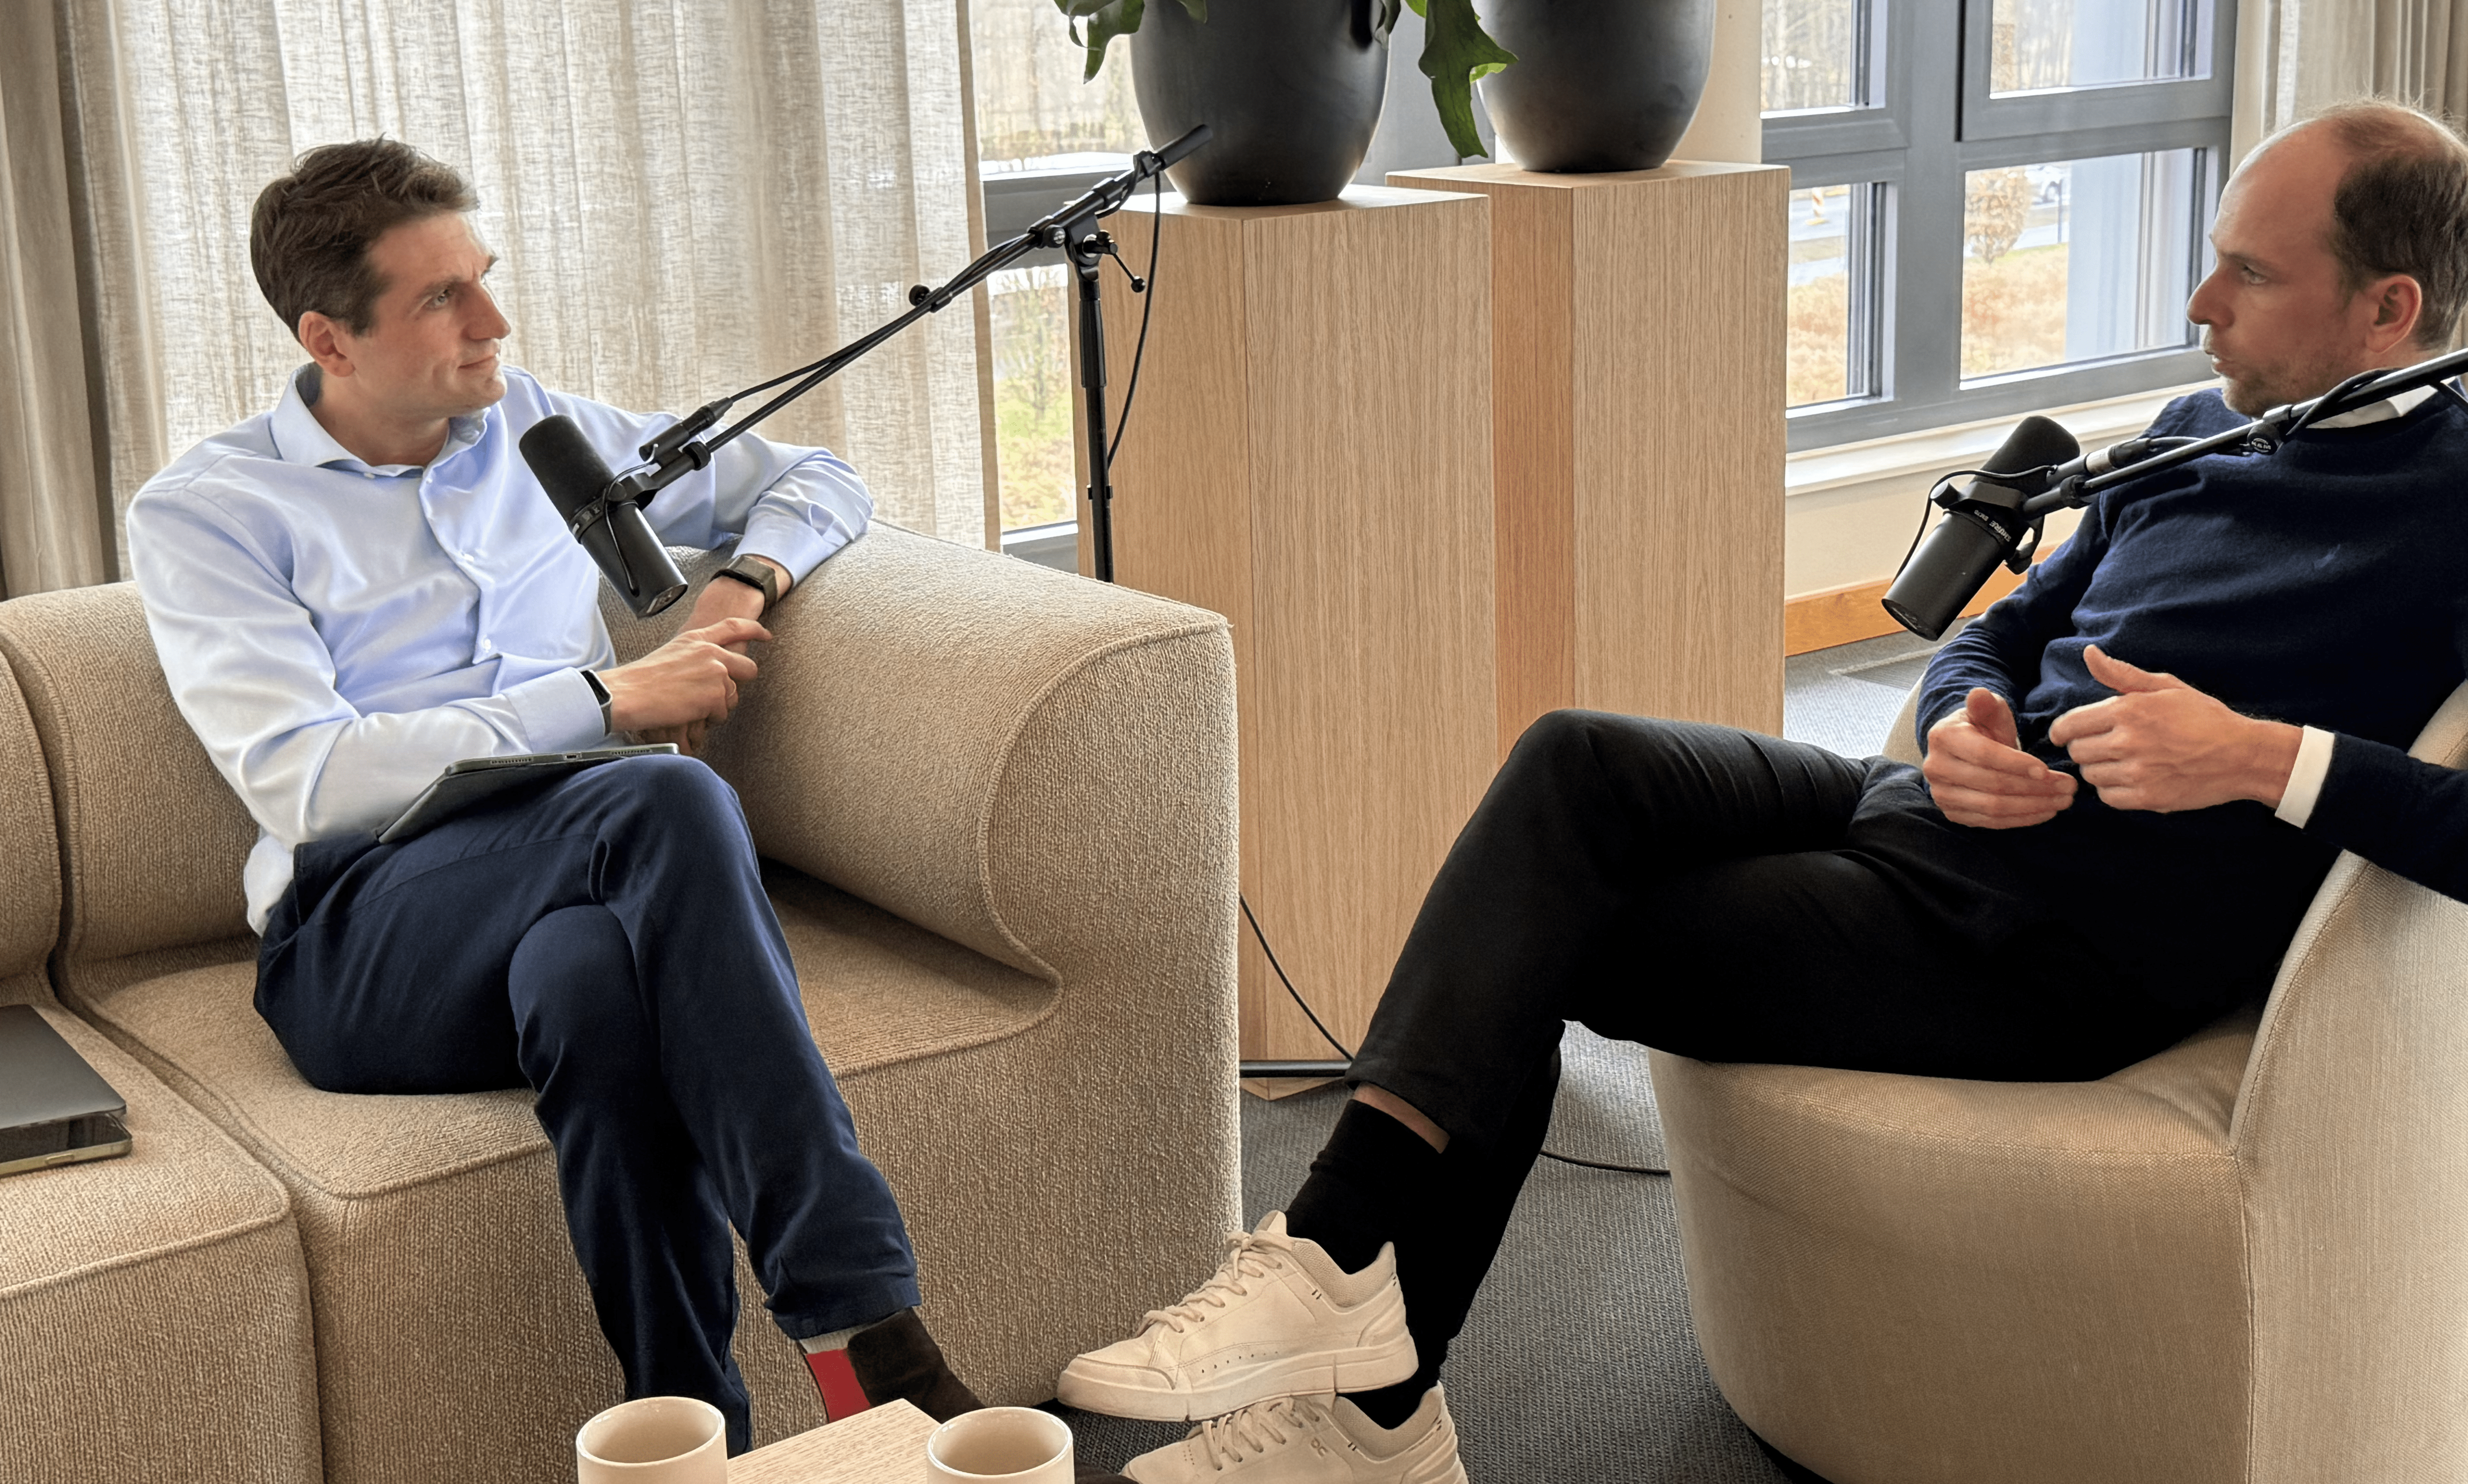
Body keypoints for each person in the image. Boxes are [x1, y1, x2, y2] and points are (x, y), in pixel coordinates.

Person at [1054, 100, 2468, 1484]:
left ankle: (1369, 1393)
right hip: (1929, 814)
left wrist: (2263, 758)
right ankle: (1337, 1270)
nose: (2201, 297)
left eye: (2254, 272)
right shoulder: (2197, 431)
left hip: (2050, 947)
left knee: (1537, 934)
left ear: (2388, 309)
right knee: (1574, 762)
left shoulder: (2448, 510)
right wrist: (1958, 710)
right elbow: (2011, 621)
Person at [128, 139, 1128, 1476]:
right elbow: (306, 779)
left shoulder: (542, 435)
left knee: (598, 983)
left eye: (485, 280)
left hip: (574, 893)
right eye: (443, 301)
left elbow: (815, 475)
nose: (493, 322)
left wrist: (743, 584)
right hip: (360, 934)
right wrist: (601, 700)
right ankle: (865, 1325)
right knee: (656, 800)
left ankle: (684, 1427)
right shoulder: (213, 511)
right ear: (331, 336)